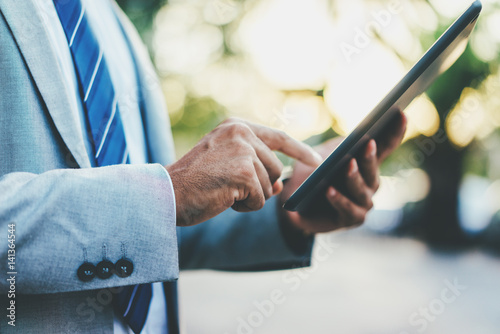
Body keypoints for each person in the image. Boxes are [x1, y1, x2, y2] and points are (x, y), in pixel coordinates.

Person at [0, 0, 406, 333]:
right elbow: (162, 202)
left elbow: (152, 233)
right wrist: (170, 192)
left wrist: (292, 204)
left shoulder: (111, 25)